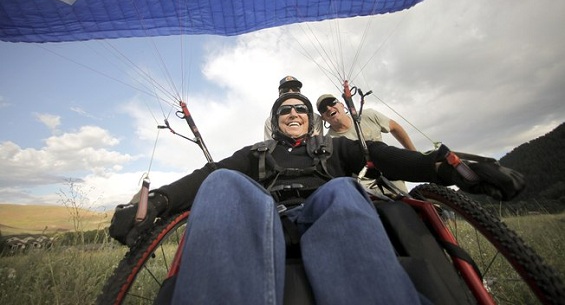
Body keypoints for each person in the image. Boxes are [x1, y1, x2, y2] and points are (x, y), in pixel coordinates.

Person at [109, 92, 525, 305]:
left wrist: (450, 168)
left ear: (310, 119)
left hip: (327, 205)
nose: (294, 113)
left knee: (345, 188)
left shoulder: (336, 148)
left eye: (301, 109)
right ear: (275, 121)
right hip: (266, 214)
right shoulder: (255, 153)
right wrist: (158, 202)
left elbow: (390, 159)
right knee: (221, 184)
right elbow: (206, 176)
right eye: (285, 110)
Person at [317, 93, 416, 192]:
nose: (329, 108)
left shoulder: (369, 115)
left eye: (331, 102)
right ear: (323, 118)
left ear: (342, 105)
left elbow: (395, 127)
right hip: (363, 188)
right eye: (323, 109)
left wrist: (414, 154)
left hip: (389, 174)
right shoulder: (328, 143)